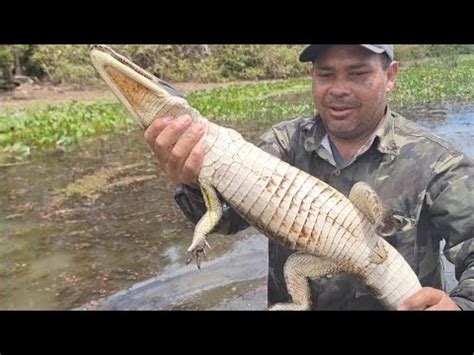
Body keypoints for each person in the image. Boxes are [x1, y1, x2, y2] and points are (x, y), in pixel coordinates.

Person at [144, 45, 474, 310]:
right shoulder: (282, 144)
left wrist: (459, 306)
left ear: (390, 76)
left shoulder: (439, 161)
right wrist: (192, 181)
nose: (338, 89)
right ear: (311, 76)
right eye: (326, 74)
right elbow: (229, 219)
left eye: (358, 73)